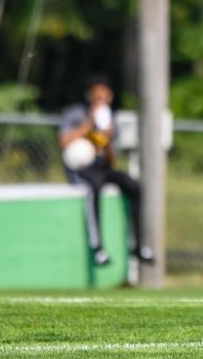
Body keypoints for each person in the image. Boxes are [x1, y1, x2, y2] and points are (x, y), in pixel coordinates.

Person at [59, 75, 154, 267]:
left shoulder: (111, 119)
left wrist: (107, 138)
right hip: (82, 168)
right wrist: (89, 124)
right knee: (94, 188)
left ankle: (138, 245)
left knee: (133, 185)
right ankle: (98, 247)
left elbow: (111, 159)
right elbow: (64, 141)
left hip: (102, 166)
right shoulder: (76, 113)